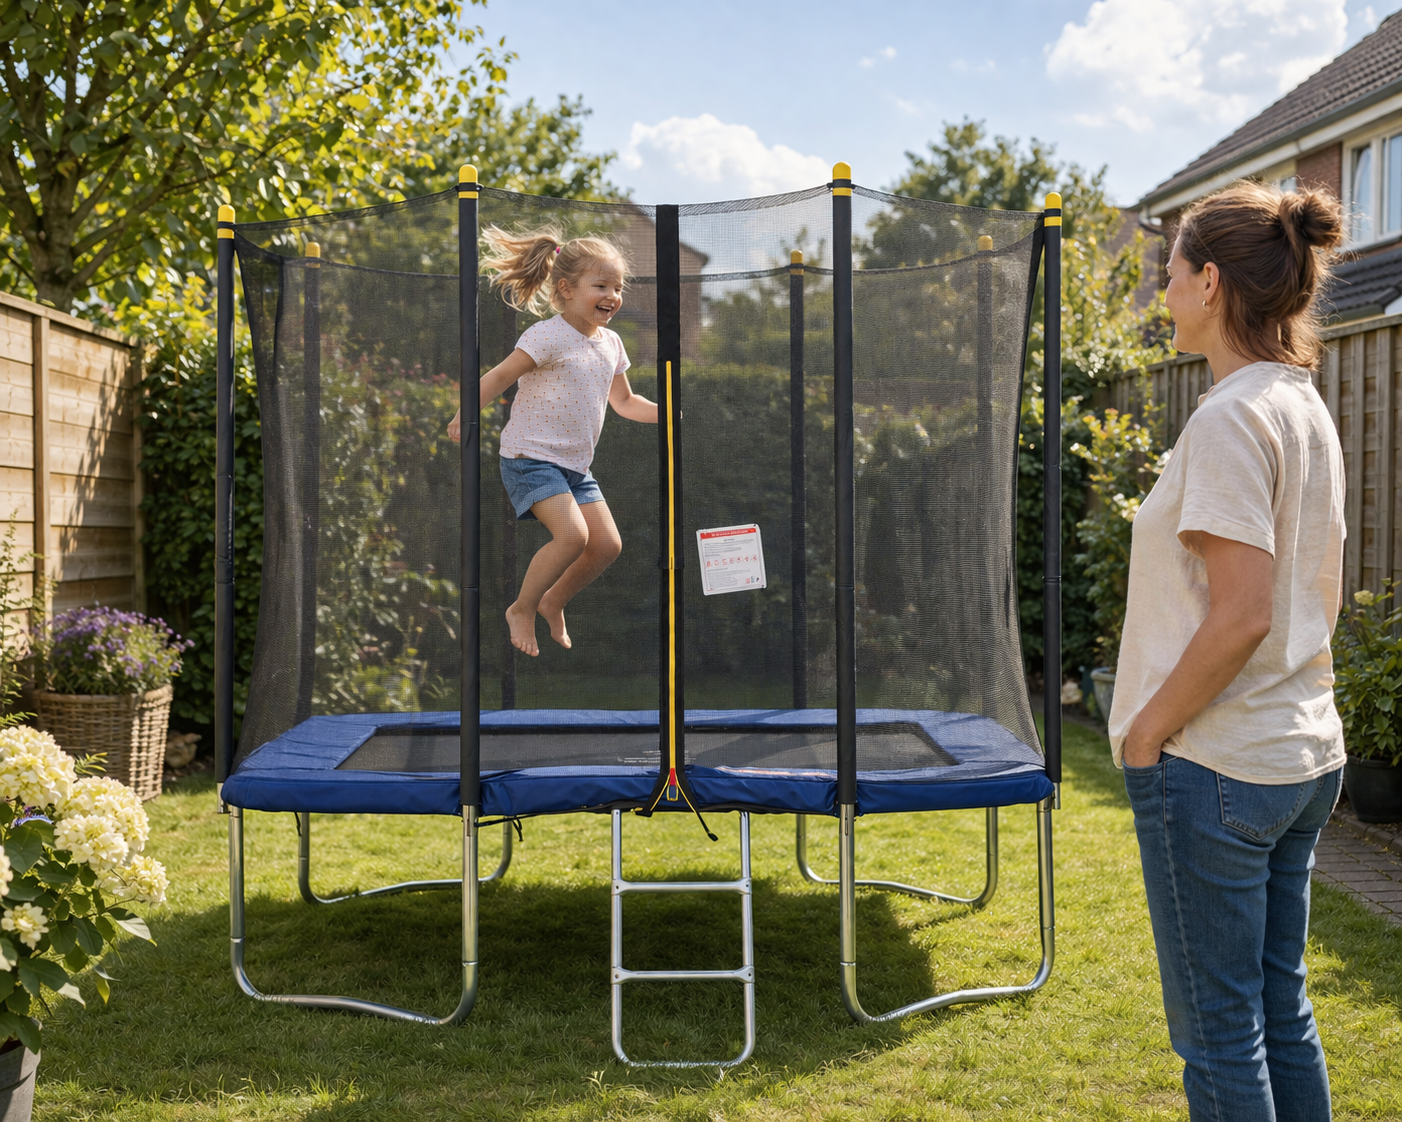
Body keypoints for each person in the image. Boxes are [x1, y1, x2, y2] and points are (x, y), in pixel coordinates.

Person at [1109, 181, 1346, 1122]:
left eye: (1168, 276)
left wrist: (1145, 736)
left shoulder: (1229, 417)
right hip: (1298, 755)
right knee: (1277, 1011)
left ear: (1209, 283)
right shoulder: (1301, 404)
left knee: (1218, 1034)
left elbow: (1242, 613)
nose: (1162, 295)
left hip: (1218, 767)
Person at [448, 226, 657, 657]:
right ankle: (521, 608)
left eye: (617, 287)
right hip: (531, 458)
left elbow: (625, 401)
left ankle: (553, 600)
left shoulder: (612, 343)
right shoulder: (546, 335)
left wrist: (668, 413)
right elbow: (501, 377)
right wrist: (464, 411)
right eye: (601, 286)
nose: (613, 295)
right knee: (572, 537)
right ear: (565, 288)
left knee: (607, 545)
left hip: (576, 468)